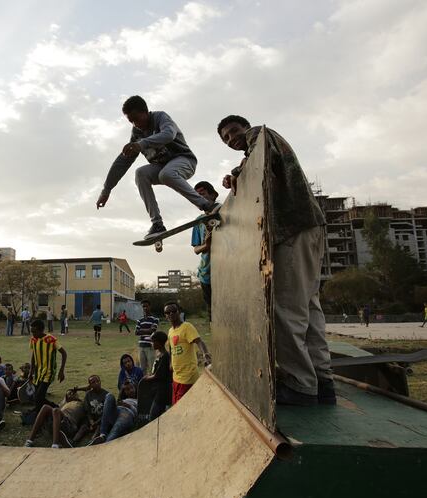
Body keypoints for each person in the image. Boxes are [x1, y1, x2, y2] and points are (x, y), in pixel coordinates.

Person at [217, 114, 334, 406]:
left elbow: (259, 156)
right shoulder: (258, 151)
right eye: (226, 138)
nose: (232, 139)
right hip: (307, 227)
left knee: (286, 309)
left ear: (246, 127)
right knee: (309, 307)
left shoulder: (260, 135)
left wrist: (238, 173)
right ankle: (322, 381)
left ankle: (300, 385)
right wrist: (237, 174)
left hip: (291, 230)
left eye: (233, 131)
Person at [95, 95, 216, 239]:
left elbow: (168, 134)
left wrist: (141, 144)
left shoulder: (160, 117)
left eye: (137, 119)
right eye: (131, 121)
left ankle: (207, 205)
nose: (135, 124)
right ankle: (157, 224)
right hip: (162, 167)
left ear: (145, 112)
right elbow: (122, 162)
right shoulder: (136, 134)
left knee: (166, 174)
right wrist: (106, 190)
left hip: (185, 160)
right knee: (141, 173)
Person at [164, 302, 210, 405]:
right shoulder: (170, 331)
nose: (171, 314)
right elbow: (171, 347)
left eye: (173, 311)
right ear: (165, 315)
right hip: (176, 376)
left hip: (188, 376)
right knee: (176, 405)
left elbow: (199, 341)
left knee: (183, 407)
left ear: (179, 312)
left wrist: (205, 354)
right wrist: (171, 362)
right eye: (167, 312)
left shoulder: (187, 327)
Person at [191, 181, 219, 322]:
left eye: (202, 195)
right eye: (195, 197)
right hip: (206, 275)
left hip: (227, 271)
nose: (198, 200)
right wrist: (206, 245)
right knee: (213, 315)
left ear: (213, 195)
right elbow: (196, 249)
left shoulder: (225, 211)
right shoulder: (199, 221)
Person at [29, 319, 67, 414]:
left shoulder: (51, 339)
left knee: (39, 396)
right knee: (37, 397)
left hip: (48, 372)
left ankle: (39, 415)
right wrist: (31, 372)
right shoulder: (33, 340)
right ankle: (54, 407)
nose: (33, 334)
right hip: (38, 372)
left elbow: (64, 353)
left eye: (34, 332)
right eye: (31, 332)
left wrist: (61, 370)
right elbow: (33, 356)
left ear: (41, 330)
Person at [140, 331, 171, 420]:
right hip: (157, 389)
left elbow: (158, 375)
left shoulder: (165, 356)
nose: (151, 343)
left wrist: (147, 378)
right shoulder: (158, 354)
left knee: (153, 416)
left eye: (153, 341)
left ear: (159, 342)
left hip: (162, 391)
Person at [135, 300, 159, 376]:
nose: (145, 308)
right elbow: (136, 332)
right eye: (143, 306)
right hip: (141, 347)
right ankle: (144, 385)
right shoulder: (140, 320)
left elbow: (153, 330)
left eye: (146, 306)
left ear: (150, 306)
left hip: (150, 346)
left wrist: (141, 330)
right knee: (142, 369)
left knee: (152, 368)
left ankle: (152, 385)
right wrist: (148, 330)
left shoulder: (155, 319)